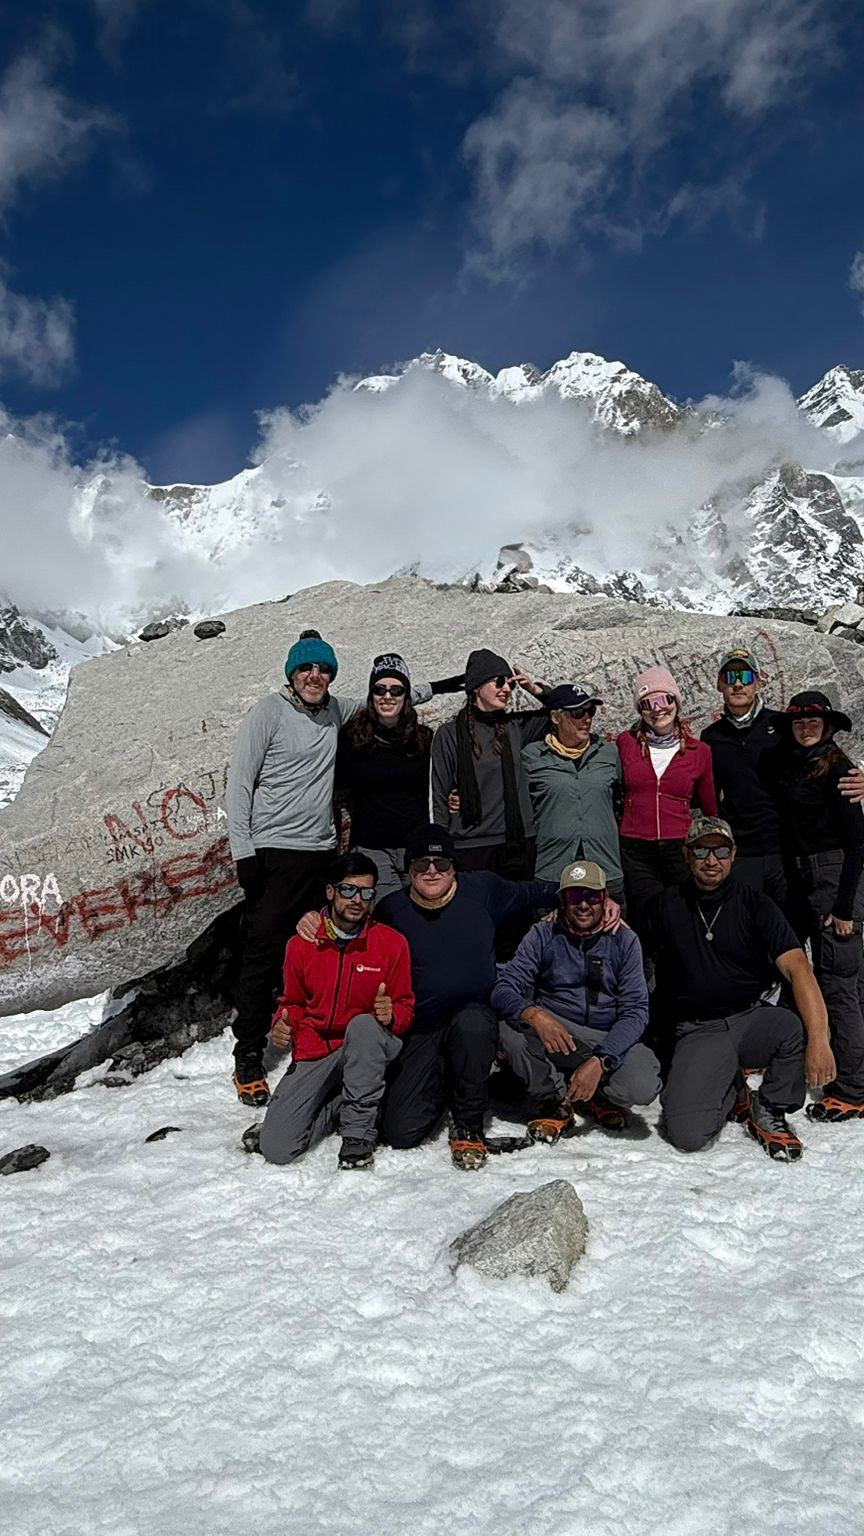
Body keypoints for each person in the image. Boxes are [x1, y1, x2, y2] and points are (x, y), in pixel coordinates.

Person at [226, 627, 441, 1106]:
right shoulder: (268, 712)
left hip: (322, 852)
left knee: (322, 948)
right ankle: (249, 1052)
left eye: (323, 669)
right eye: (305, 668)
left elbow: (388, 697)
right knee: (263, 952)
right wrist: (244, 854)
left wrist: (447, 685)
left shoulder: (336, 710)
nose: (314, 675)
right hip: (275, 850)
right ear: (291, 673)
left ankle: (319, 1037)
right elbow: (239, 783)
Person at [366, 824, 560, 1169]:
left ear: (454, 867)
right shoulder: (391, 910)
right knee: (400, 1132)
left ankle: (468, 1121)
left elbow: (535, 892)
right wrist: (313, 920)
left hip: (476, 1022)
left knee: (472, 1023)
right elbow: (351, 931)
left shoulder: (482, 890)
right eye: (421, 863)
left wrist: (587, 897)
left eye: (441, 863)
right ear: (408, 869)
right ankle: (452, 1079)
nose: (432, 871)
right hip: (423, 1030)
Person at [642, 817, 835, 1161]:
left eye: (720, 851)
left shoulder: (756, 904)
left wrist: (820, 1038)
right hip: (698, 1029)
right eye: (701, 850)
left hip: (749, 1019)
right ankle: (731, 1088)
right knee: (688, 1135)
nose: (711, 860)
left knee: (790, 1027)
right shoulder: (664, 906)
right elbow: (629, 954)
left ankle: (770, 1106)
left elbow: (798, 968)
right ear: (686, 854)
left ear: (733, 854)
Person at [258, 853, 414, 1170]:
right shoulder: (300, 945)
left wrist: (391, 1014)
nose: (357, 900)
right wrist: (283, 1024)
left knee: (363, 1026)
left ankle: (357, 1137)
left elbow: (405, 1007)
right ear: (331, 892)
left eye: (366, 893)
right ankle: (338, 1105)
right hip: (317, 1049)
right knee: (277, 1148)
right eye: (348, 890)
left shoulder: (391, 943)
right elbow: (292, 1002)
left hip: (367, 1047)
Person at [492, 860, 660, 1139]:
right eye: (574, 896)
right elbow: (503, 988)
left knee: (642, 1085)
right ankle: (555, 1098)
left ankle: (598, 1093)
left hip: (605, 1035)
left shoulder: (624, 939)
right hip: (556, 1029)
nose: (583, 905)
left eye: (592, 896)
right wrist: (535, 1015)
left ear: (604, 898)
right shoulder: (543, 933)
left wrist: (601, 1060)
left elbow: (636, 1011)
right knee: (509, 1033)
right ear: (562, 899)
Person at [767, 691, 864, 1121]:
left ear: (827, 726)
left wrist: (844, 908)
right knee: (840, 978)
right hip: (807, 875)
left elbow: (858, 843)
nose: (805, 728)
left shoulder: (839, 770)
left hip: (835, 877)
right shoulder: (802, 764)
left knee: (839, 980)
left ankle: (853, 1089)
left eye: (813, 722)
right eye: (798, 722)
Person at [335, 652, 461, 902]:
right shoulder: (352, 739)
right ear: (371, 695)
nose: (387, 696)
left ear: (406, 696)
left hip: (417, 847)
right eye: (379, 689)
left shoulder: (423, 739)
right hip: (372, 846)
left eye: (396, 690)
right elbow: (339, 791)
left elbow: (438, 784)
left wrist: (452, 797)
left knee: (422, 913)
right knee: (388, 912)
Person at [430, 647, 550, 882]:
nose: (506, 689)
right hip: (470, 847)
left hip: (518, 843)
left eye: (510, 684)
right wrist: (440, 850)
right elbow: (439, 796)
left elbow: (562, 710)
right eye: (499, 682)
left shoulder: (515, 727)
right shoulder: (449, 734)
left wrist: (533, 688)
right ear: (476, 687)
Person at [617, 665, 717, 928]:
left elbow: (710, 808)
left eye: (665, 700)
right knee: (646, 916)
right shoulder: (625, 743)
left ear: (676, 702)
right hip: (635, 849)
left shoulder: (699, 751)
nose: (657, 709)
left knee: (682, 916)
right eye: (647, 703)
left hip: (679, 847)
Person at [521, 684, 625, 906]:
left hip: (605, 867)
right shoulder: (532, 757)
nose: (586, 719)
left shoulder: (608, 752)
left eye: (590, 711)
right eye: (577, 713)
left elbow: (626, 797)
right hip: (552, 869)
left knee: (612, 926)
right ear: (556, 718)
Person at [700, 648, 789, 906]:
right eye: (730, 677)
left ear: (758, 683)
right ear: (719, 684)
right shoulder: (712, 736)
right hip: (741, 853)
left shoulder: (783, 725)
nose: (738, 684)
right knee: (745, 921)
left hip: (784, 850)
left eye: (746, 677)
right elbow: (707, 792)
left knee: (788, 924)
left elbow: (819, 761)